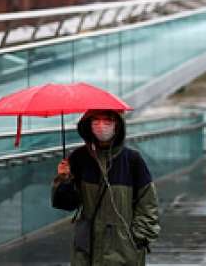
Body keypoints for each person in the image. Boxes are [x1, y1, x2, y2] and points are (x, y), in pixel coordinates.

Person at [52, 110, 160, 265]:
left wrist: (138, 239)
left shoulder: (132, 160)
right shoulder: (79, 158)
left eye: (107, 121)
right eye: (96, 121)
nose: (101, 126)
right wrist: (64, 179)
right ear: (88, 125)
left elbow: (148, 203)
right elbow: (66, 204)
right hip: (87, 249)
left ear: (117, 125)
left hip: (124, 250)